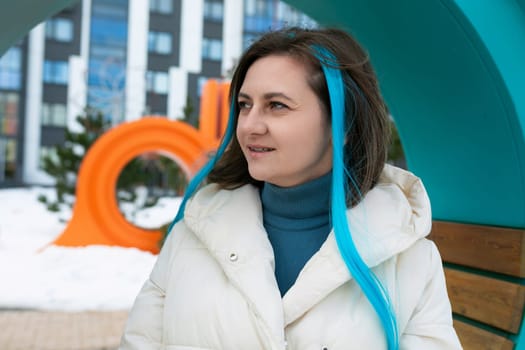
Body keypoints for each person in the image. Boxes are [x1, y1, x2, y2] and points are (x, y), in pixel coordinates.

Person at [119, 27, 462, 350]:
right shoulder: (190, 235)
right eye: (244, 105)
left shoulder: (408, 259)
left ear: (344, 125)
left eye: (277, 105)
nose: (250, 125)